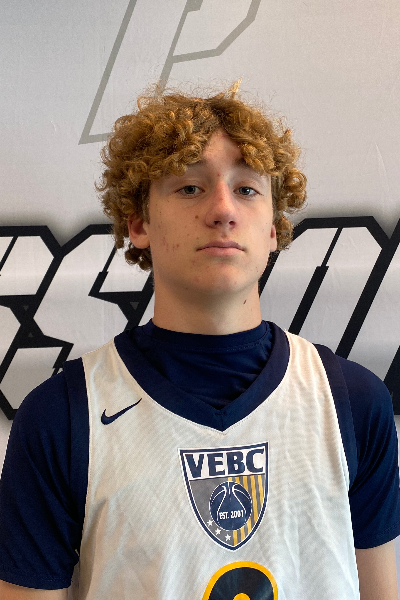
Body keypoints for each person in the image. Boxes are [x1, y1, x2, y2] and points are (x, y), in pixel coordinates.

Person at [0, 83, 399, 600]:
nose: (222, 210)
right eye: (190, 188)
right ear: (139, 224)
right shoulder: (61, 416)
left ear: (274, 228)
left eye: (247, 189)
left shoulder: (353, 402)